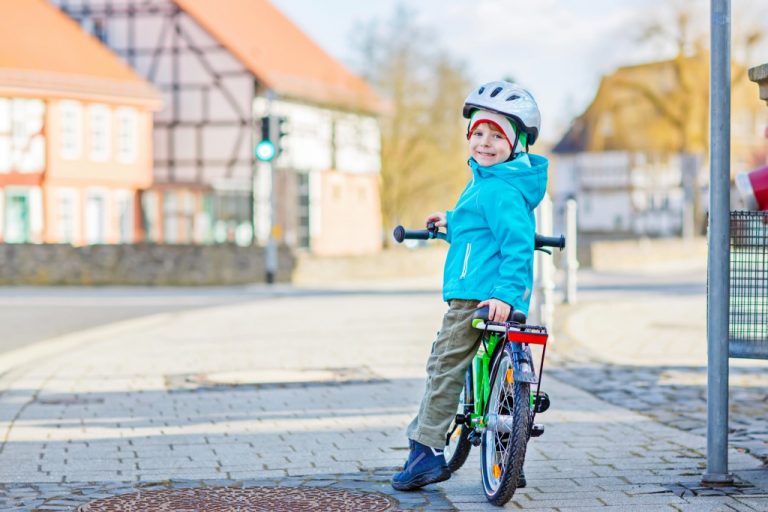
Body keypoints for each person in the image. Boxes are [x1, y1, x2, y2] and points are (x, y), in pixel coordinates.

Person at [391, 80, 548, 491]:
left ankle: (425, 451)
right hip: (491, 291)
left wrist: (503, 294)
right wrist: (450, 222)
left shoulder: (496, 188)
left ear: (516, 145)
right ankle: (508, 450)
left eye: (497, 136)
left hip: (478, 295)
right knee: (499, 369)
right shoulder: (491, 183)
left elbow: (516, 246)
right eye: (479, 133)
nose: (485, 142)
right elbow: (482, 232)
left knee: (445, 365)